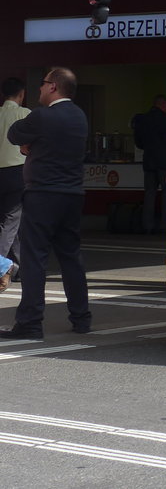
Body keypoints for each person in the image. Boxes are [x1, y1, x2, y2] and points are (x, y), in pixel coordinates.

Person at [0, 67, 91, 341]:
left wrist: (30, 146)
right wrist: (35, 145)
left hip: (43, 194)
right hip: (72, 195)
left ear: (53, 86)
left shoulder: (42, 116)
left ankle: (30, 322)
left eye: (42, 84)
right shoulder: (80, 117)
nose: (38, 89)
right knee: (71, 257)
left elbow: (15, 134)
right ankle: (82, 318)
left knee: (35, 258)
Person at [0, 77, 29, 275]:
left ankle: (19, 268)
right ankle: (1, 267)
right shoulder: (26, 114)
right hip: (17, 172)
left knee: (12, 222)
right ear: (22, 94)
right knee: (10, 221)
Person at [134, 94, 166, 234]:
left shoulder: (142, 119)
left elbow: (138, 143)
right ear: (163, 105)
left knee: (150, 193)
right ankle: (164, 225)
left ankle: (147, 226)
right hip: (164, 162)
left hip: (149, 162)